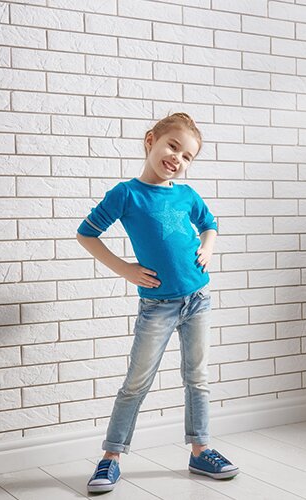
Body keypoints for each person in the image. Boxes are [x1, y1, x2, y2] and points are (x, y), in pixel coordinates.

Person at [76, 113, 239, 493]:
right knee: (136, 382)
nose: (177, 159)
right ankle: (111, 457)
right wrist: (126, 270)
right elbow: (87, 233)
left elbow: (210, 224)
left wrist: (208, 246)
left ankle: (201, 450)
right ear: (151, 140)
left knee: (197, 377)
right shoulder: (126, 194)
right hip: (158, 306)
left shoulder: (187, 195)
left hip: (198, 298)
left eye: (187, 156)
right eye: (173, 146)